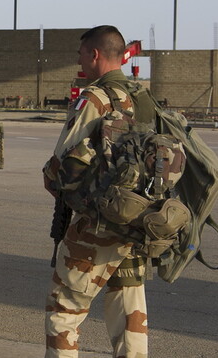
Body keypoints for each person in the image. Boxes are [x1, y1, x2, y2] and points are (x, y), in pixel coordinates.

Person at [43, 26, 150, 358]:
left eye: (81, 54)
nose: (79, 60)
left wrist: (50, 178)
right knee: (131, 316)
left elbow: (62, 165)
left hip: (98, 224)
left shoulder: (95, 98)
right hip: (136, 222)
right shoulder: (144, 98)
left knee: (64, 311)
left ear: (95, 54)